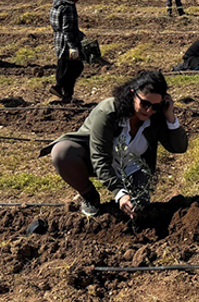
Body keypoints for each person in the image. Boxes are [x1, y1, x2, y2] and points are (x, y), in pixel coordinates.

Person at [40, 71, 188, 218]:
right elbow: (99, 157)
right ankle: (89, 195)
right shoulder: (108, 112)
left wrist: (170, 116)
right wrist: (119, 192)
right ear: (132, 94)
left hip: (132, 167)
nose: (149, 110)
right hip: (95, 161)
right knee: (62, 152)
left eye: (155, 106)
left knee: (139, 208)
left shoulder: (156, 116)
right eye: (144, 104)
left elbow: (178, 147)